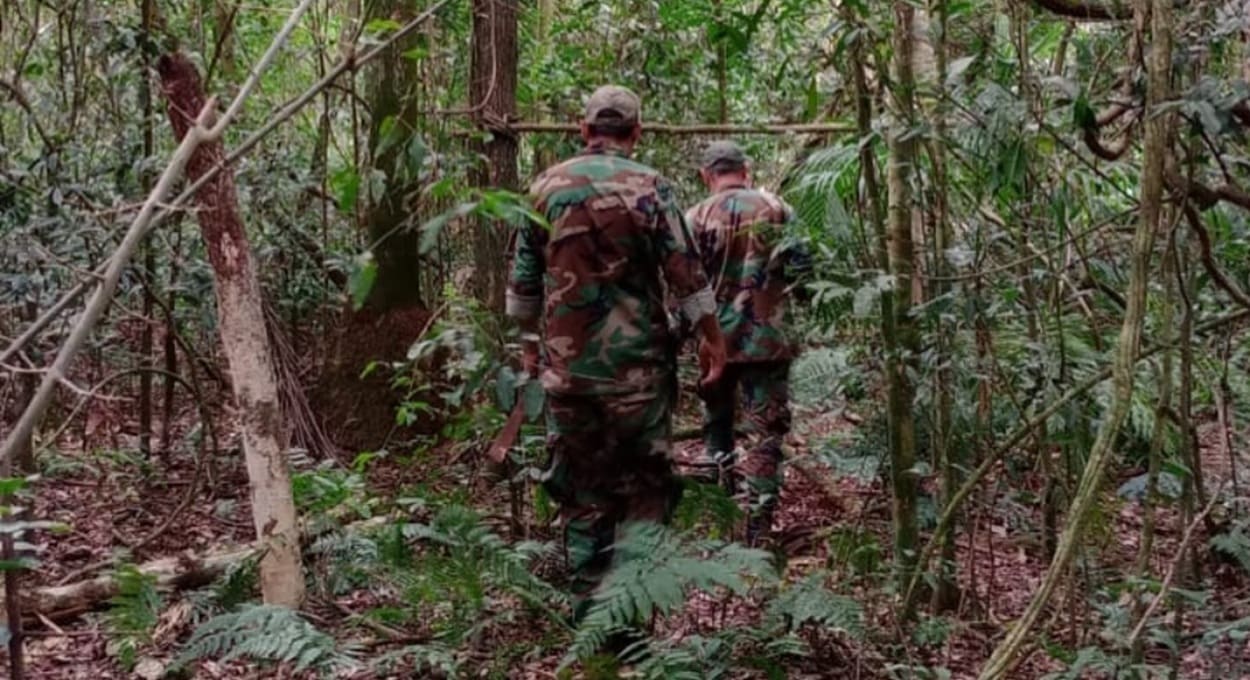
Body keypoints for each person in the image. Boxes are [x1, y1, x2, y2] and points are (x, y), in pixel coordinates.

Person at [505, 85, 728, 623]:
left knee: (582, 493)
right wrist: (713, 338)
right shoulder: (651, 186)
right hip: (639, 376)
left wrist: (529, 348)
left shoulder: (543, 189)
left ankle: (589, 619)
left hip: (568, 375)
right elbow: (686, 275)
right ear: (636, 133)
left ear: (584, 130)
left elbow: (521, 285)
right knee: (644, 493)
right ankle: (629, 627)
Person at [684, 139, 810, 546]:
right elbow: (804, 268)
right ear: (746, 170)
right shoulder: (777, 209)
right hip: (768, 339)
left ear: (707, 175)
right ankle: (758, 526)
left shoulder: (695, 217)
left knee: (716, 425)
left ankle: (719, 520)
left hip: (713, 339)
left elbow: (682, 280)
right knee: (765, 433)